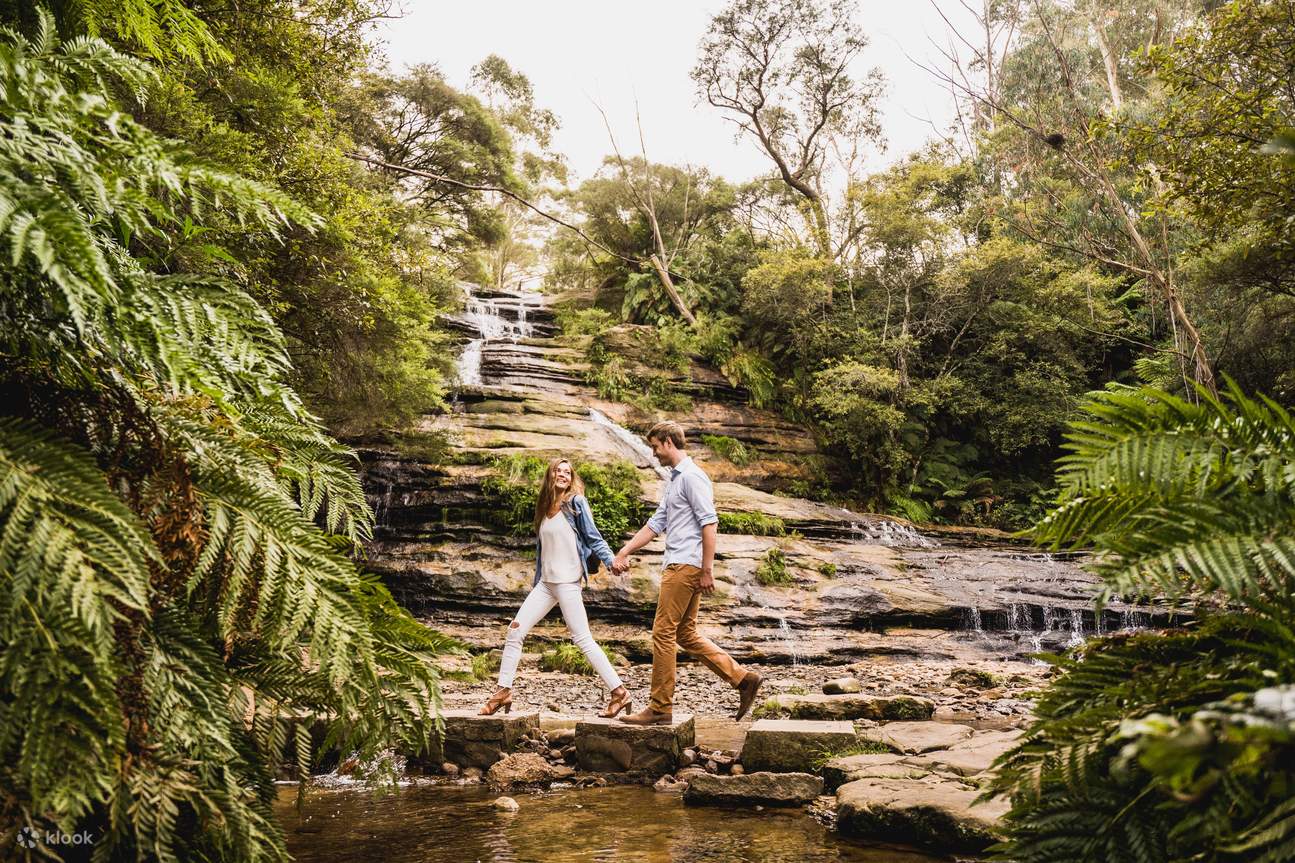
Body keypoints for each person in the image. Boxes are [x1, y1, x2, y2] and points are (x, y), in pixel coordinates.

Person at [613, 421, 762, 725]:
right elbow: (656, 524)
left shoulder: (693, 477)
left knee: (663, 632)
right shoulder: (676, 481)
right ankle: (743, 679)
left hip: (685, 565)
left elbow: (710, 523)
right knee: (685, 633)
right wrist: (624, 551)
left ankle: (660, 707)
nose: (653, 453)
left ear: (668, 442)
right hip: (683, 564)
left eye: (655, 446)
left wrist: (707, 569)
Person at [478, 457, 633, 718]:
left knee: (583, 639)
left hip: (568, 582)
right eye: (558, 471)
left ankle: (619, 692)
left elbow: (593, 537)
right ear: (550, 476)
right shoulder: (543, 507)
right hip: (546, 584)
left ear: (571, 478)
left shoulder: (575, 503)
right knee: (514, 631)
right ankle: (502, 691)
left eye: (567, 472)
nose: (562, 475)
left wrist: (611, 561)